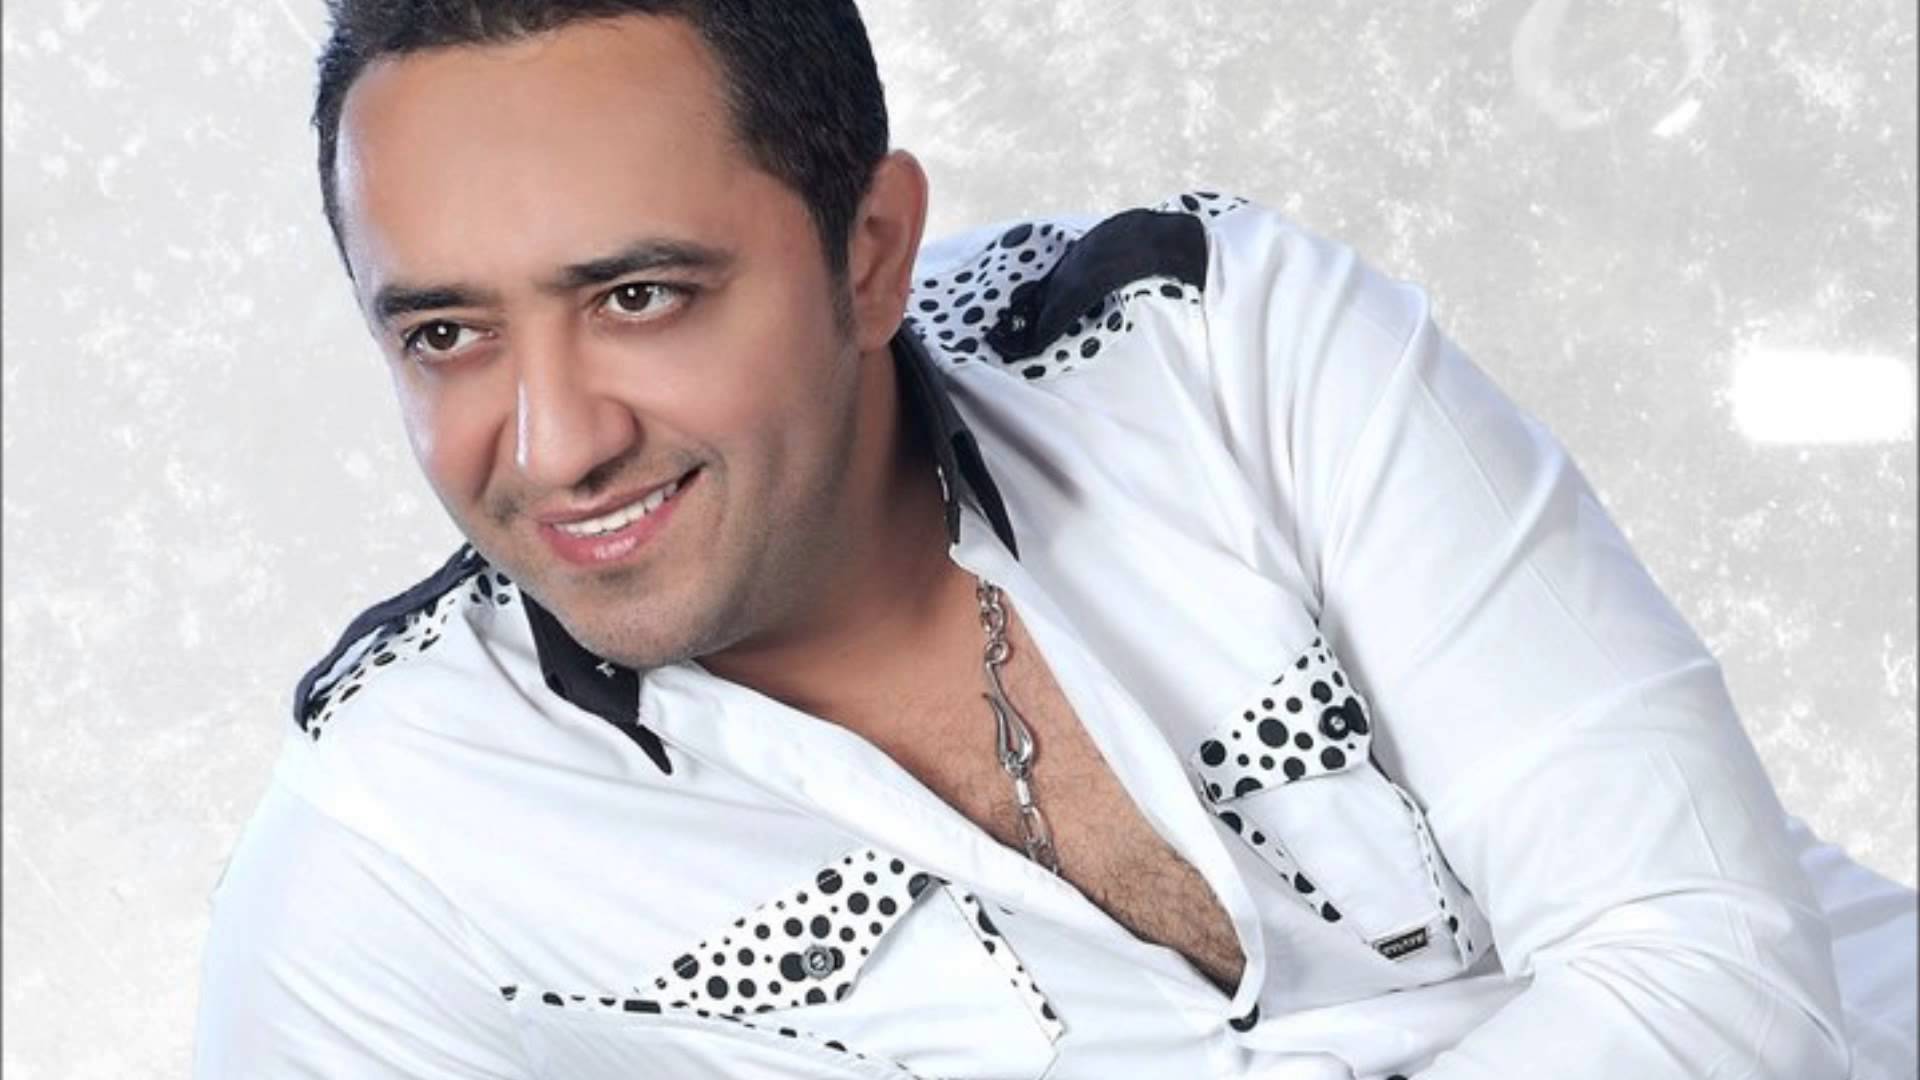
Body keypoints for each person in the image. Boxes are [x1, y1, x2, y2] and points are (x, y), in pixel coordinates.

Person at [192, 3, 1857, 1077]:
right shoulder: (395, 840)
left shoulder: (1210, 340)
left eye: (639, 297)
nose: (554, 442)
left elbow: (1719, 986)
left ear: (870, 254)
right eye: (446, 336)